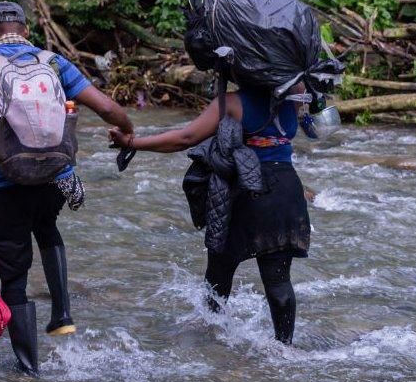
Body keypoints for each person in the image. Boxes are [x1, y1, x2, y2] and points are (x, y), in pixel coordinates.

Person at [0, 1, 133, 375]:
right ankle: (62, 313)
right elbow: (104, 105)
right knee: (47, 228)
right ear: (26, 30)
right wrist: (127, 129)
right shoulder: (52, 63)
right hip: (52, 179)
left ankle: (28, 369)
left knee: (14, 274)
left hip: (6, 183)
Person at [110, 82, 310, 345]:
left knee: (219, 273)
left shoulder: (232, 103)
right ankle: (285, 349)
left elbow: (185, 138)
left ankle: (210, 344)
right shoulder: (296, 92)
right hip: (286, 190)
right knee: (278, 280)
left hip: (247, 191)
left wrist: (132, 142)